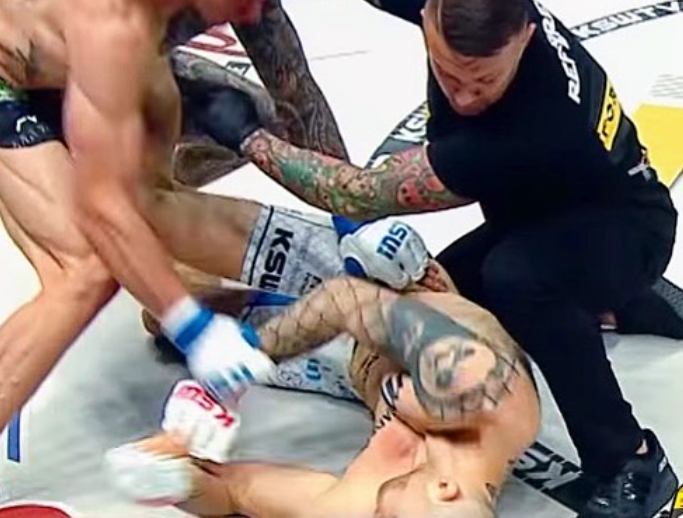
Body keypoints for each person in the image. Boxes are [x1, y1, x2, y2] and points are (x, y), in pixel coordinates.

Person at [179, 0, 683, 518]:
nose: (463, 96)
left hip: (626, 227)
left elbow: (354, 194)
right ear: (427, 17)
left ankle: (628, 458)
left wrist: (247, 138)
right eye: (448, 73)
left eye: (483, 81)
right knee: (438, 293)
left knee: (517, 282)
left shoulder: (535, 125)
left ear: (526, 36)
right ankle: (614, 299)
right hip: (546, 217)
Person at [0, 0, 349, 514]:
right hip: (1, 87)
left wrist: (349, 219)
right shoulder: (113, 11)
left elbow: (297, 95)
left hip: (97, 73)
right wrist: (195, 327)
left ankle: (164, 291)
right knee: (85, 271)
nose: (250, 13)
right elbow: (102, 208)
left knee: (236, 121)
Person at [107, 198, 540, 518]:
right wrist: (239, 364)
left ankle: (253, 305)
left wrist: (170, 479)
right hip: (384, 285)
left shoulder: (359, 505)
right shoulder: (481, 391)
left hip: (348, 361)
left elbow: (234, 492)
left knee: (162, 318)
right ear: (445, 489)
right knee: (153, 212)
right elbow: (346, 298)